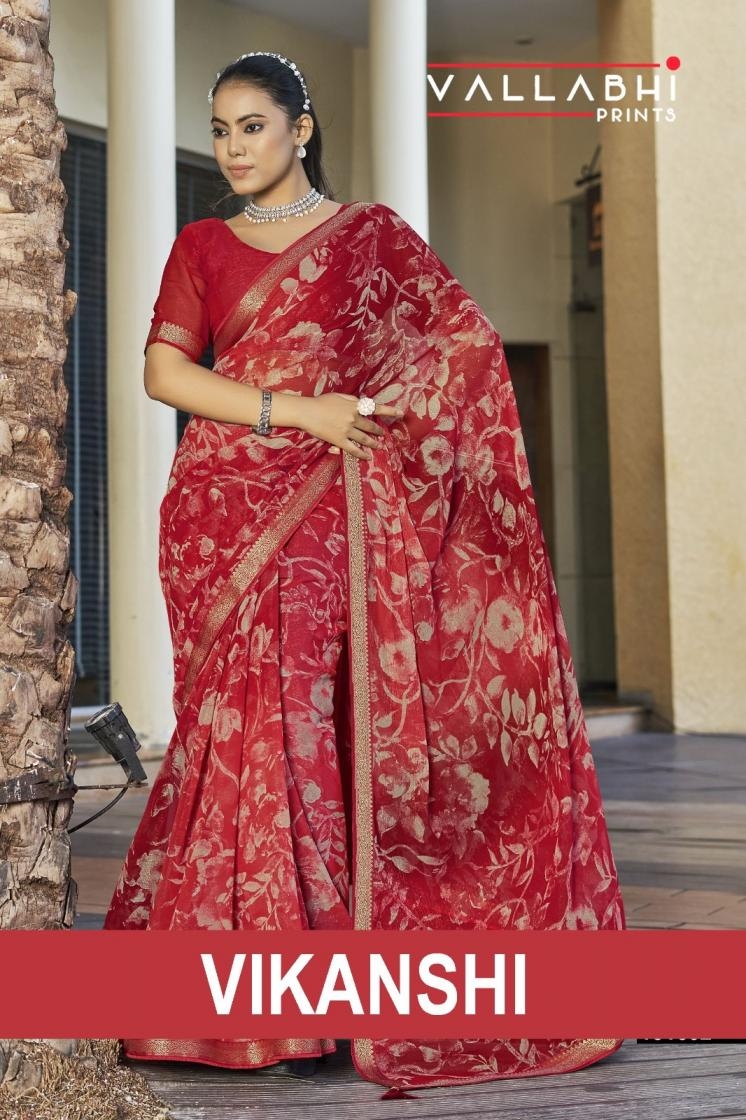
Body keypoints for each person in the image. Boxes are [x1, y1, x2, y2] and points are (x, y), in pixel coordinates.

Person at [103, 50, 627, 1093]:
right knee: (237, 726)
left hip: (328, 514)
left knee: (302, 726)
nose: (233, 147)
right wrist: (301, 411)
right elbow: (165, 372)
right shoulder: (201, 245)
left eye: (253, 125)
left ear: (301, 129)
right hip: (223, 512)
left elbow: (460, 352)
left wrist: (372, 425)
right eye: (220, 129)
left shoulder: (372, 239)